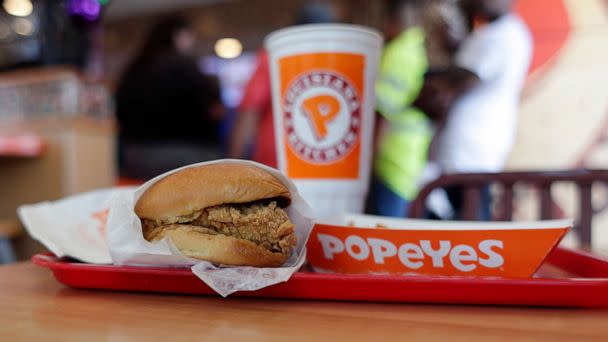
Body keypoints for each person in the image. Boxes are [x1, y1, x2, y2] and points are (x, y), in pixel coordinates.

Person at [420, 0, 532, 219]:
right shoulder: (493, 33)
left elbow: (450, 86)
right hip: (464, 152)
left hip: (470, 152)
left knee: (468, 231)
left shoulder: (501, 34)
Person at [228, 3, 338, 168]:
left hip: (276, 166)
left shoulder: (274, 55)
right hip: (324, 166)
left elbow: (250, 110)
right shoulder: (337, 60)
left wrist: (233, 164)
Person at [115, 16, 224, 179]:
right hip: (188, 156)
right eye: (189, 36)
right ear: (177, 35)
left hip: (136, 159)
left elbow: (119, 113)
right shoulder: (184, 65)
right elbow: (215, 111)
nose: (191, 42)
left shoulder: (133, 69)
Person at [368, 0, 435, 217]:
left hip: (391, 162)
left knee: (387, 236)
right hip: (411, 158)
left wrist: (368, 163)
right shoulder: (419, 48)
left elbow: (381, 113)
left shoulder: (398, 53)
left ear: (393, 20)